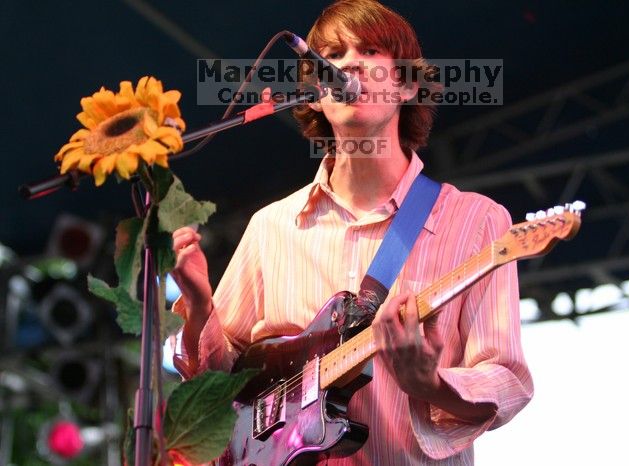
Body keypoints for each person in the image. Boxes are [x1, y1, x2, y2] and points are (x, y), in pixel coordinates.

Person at [170, 1, 533, 464]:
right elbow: (219, 387)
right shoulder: (271, 227)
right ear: (317, 94)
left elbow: (508, 379)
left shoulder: (476, 220)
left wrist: (431, 385)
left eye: (371, 50)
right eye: (333, 54)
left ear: (405, 84)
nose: (348, 64)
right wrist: (200, 306)